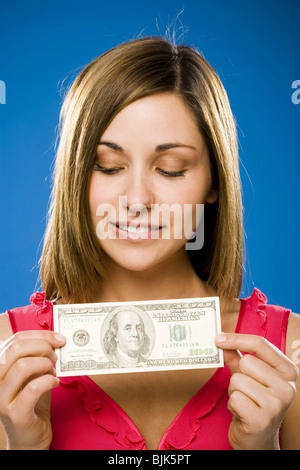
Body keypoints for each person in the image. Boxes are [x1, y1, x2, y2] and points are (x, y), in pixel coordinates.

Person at [0, 36, 299, 450]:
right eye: (108, 166)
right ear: (75, 178)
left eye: (171, 169)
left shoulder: (288, 353)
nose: (136, 201)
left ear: (215, 181)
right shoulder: (7, 357)